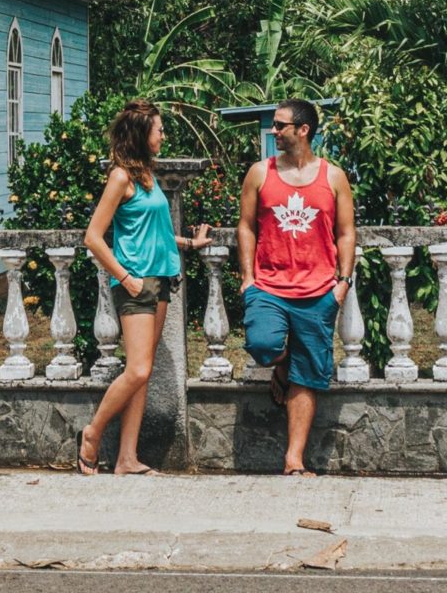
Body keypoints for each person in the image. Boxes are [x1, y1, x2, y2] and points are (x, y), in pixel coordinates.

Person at [78, 98, 210, 475]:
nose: (163, 135)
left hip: (161, 279)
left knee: (144, 371)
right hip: (135, 284)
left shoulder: (148, 176)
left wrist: (188, 244)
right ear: (141, 133)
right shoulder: (121, 177)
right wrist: (125, 278)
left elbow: (158, 232)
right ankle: (92, 434)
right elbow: (93, 237)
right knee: (136, 370)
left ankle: (126, 459)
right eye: (159, 129)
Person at [237, 97, 355, 477]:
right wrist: (247, 278)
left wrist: (343, 282)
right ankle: (282, 363)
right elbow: (246, 226)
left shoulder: (333, 177)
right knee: (262, 344)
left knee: (309, 375)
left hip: (318, 291)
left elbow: (347, 232)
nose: (274, 131)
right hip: (269, 286)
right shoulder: (260, 172)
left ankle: (294, 460)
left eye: (280, 125)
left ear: (303, 130)